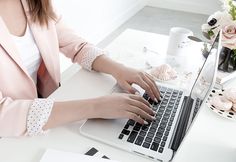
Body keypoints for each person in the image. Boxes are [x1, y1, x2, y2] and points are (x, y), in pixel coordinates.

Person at [0, 0, 160, 137]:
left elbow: (77, 46)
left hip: (45, 111)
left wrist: (118, 69)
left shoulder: (35, 2)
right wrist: (96, 107)